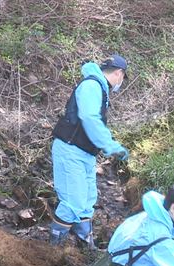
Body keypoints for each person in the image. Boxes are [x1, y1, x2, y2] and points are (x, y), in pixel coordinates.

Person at [48, 54, 130, 248]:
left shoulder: (100, 88)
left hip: (84, 153)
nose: (121, 82)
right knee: (73, 202)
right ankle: (53, 250)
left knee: (86, 202)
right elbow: (90, 118)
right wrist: (110, 145)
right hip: (70, 150)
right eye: (122, 78)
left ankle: (86, 248)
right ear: (119, 73)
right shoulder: (91, 86)